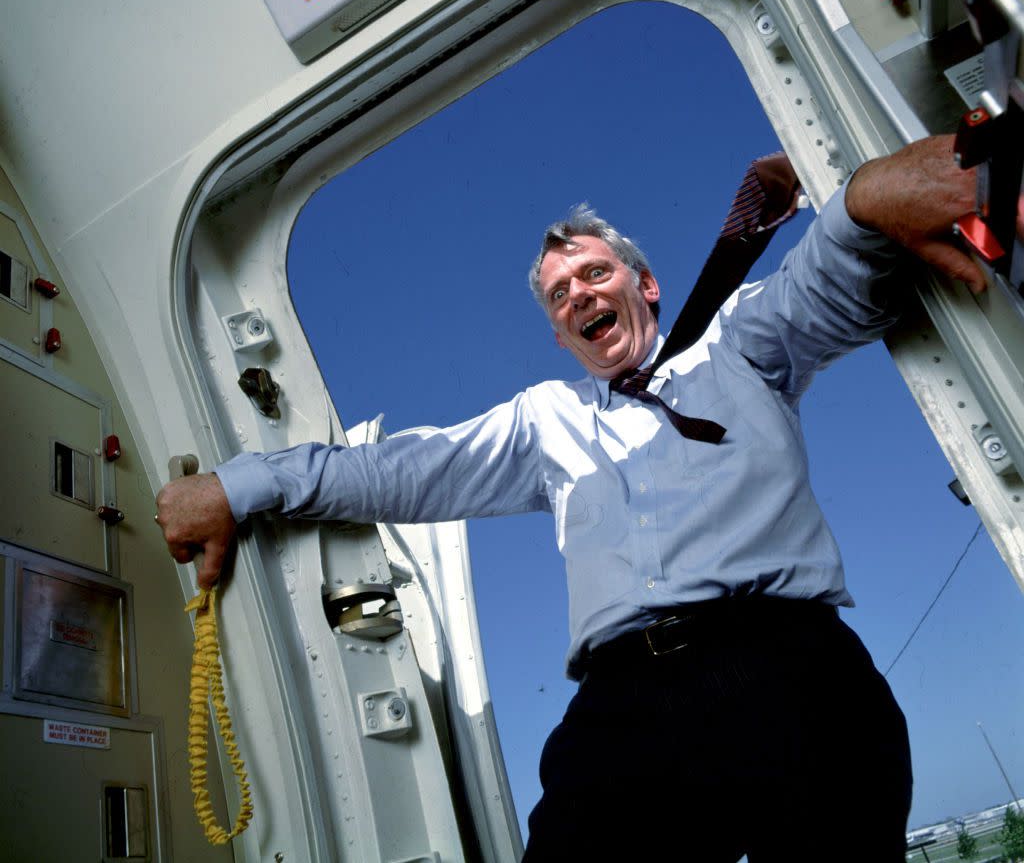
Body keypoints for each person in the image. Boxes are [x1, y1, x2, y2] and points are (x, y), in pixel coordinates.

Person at [158, 135, 991, 861]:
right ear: (560, 335)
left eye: (595, 273)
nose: (581, 295)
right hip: (629, 711)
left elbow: (832, 272)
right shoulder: (544, 421)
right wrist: (240, 486)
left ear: (646, 284)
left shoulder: (741, 339)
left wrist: (858, 197)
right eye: (561, 296)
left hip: (794, 672)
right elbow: (398, 469)